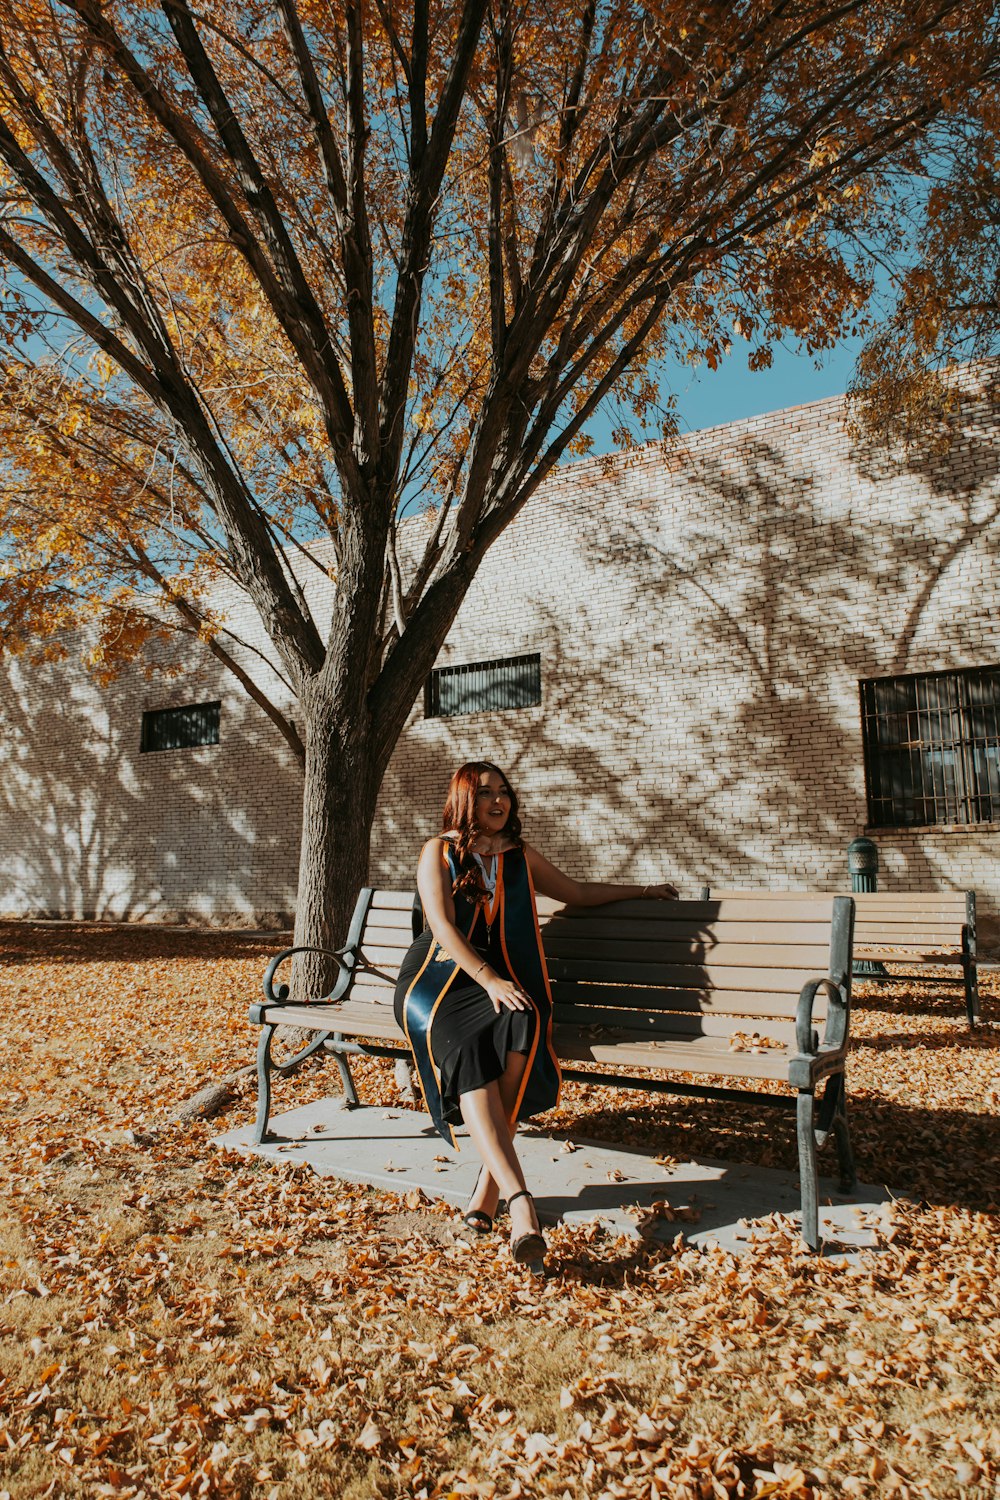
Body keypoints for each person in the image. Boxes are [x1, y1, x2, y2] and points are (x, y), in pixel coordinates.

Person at [394, 760, 678, 1268]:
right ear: (464, 799)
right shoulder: (437, 851)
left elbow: (577, 892)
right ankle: (521, 1201)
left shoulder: (517, 855)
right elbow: (440, 926)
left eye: (504, 792)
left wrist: (643, 890)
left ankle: (489, 1191)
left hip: (495, 985)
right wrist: (489, 980)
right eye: (485, 794)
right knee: (470, 1047)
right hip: (436, 981)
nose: (498, 801)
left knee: (523, 1021)